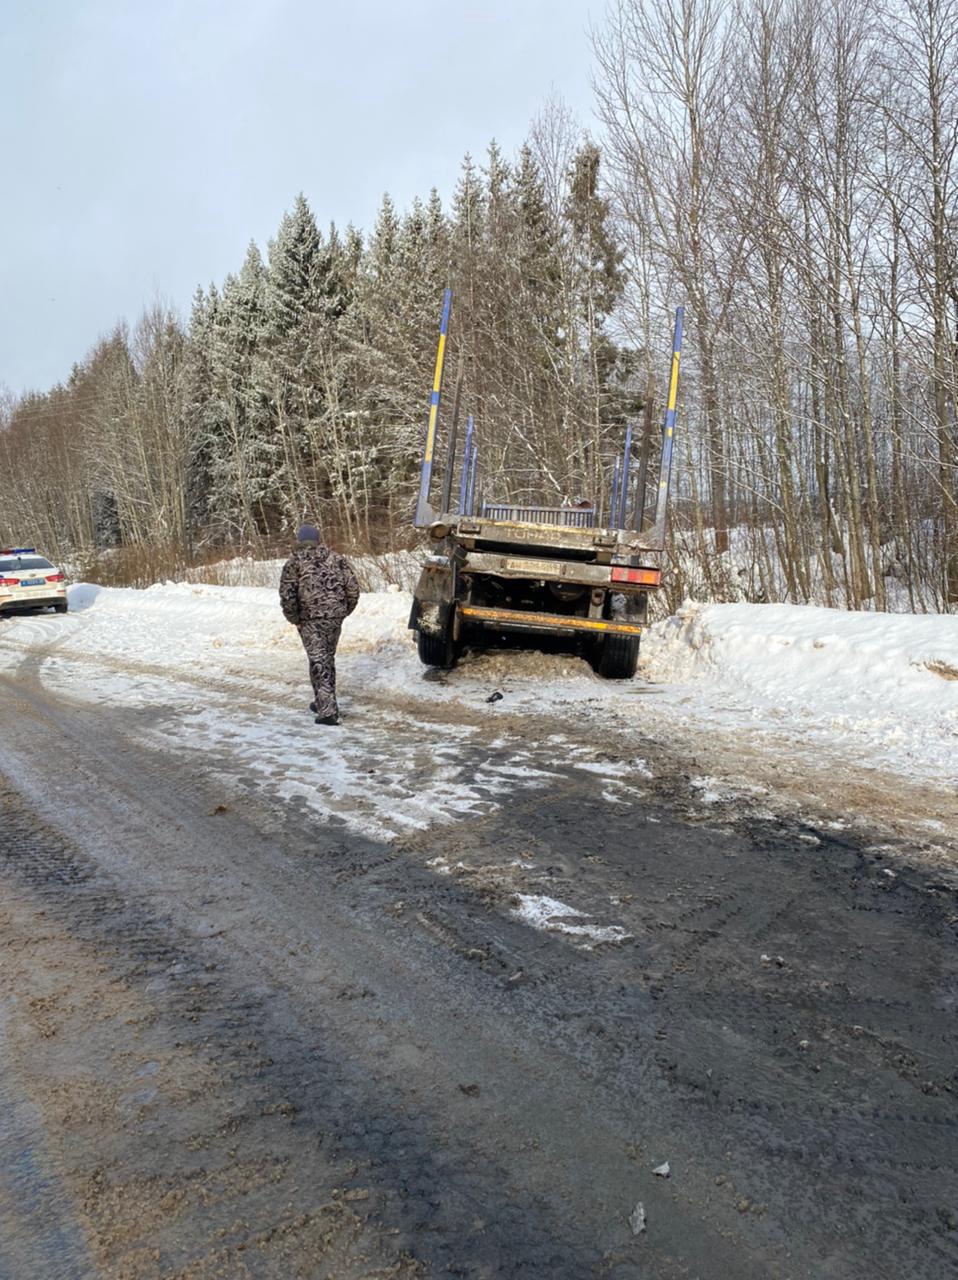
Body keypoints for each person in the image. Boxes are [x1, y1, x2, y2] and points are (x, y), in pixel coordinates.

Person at [279, 524, 360, 725]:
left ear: (300, 540)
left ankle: (328, 712)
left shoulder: (294, 563)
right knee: (326, 659)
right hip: (334, 617)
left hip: (310, 619)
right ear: (317, 539)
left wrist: (294, 618)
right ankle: (323, 700)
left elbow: (287, 595)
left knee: (318, 661)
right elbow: (353, 589)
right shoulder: (337, 559)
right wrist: (342, 611)